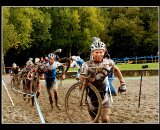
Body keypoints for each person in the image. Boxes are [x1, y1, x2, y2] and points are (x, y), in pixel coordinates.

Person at [80, 37, 126, 123]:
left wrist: (122, 83)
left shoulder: (108, 62)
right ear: (92, 53)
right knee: (95, 120)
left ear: (104, 52)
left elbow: (116, 70)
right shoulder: (86, 64)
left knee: (105, 119)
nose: (99, 54)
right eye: (96, 52)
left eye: (101, 52)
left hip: (104, 95)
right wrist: (83, 82)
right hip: (91, 97)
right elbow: (82, 77)